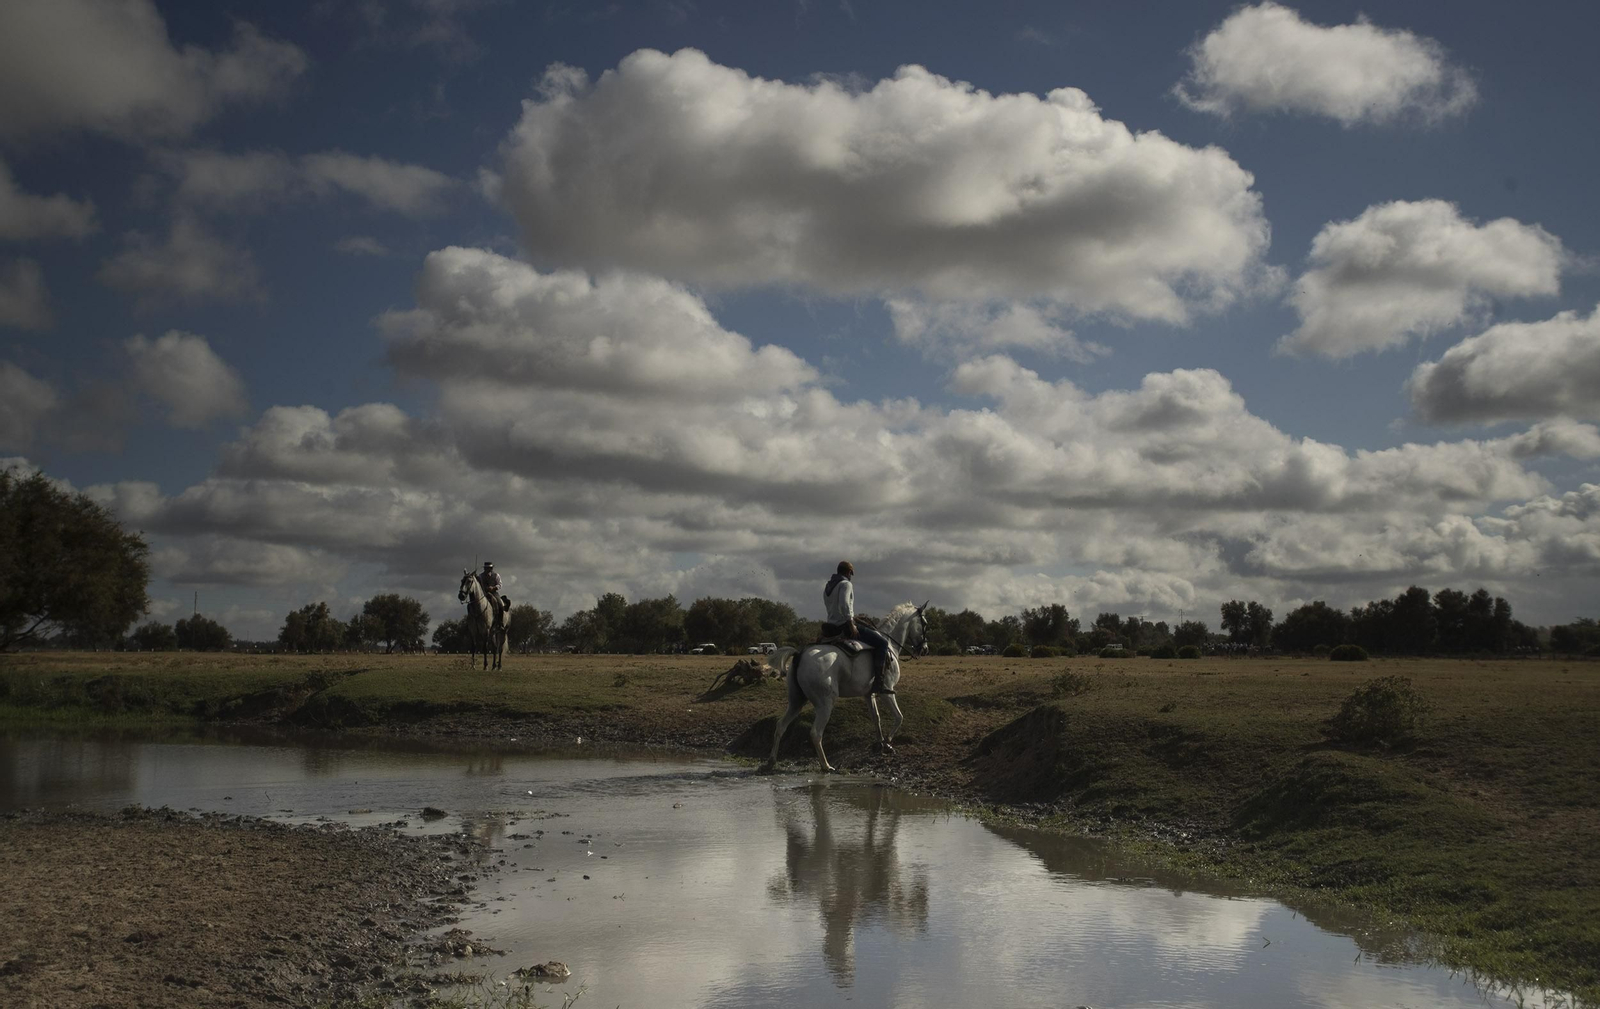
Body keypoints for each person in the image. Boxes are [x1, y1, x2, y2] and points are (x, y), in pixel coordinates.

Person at [822, 560, 893, 694]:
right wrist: (850, 623)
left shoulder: (828, 586)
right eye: (851, 573)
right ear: (848, 572)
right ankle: (879, 683)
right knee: (882, 643)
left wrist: (853, 617)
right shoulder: (846, 584)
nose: (851, 576)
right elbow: (844, 605)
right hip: (844, 626)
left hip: (831, 625)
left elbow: (834, 607)